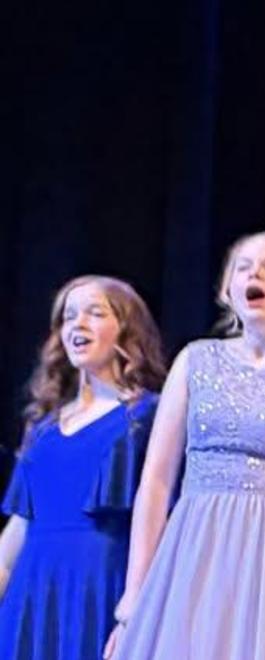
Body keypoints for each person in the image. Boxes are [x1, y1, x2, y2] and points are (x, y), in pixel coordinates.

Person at [111, 232, 265, 658]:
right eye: (242, 267)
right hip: (194, 550)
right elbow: (155, 481)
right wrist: (135, 592)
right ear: (228, 292)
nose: (254, 273)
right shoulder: (196, 360)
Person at [0, 276, 167, 660]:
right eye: (69, 316)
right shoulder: (42, 428)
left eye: (95, 313)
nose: (78, 323)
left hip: (99, 588)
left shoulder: (145, 416)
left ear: (127, 329)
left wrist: (134, 611)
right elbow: (17, 531)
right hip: (32, 595)